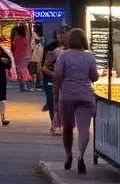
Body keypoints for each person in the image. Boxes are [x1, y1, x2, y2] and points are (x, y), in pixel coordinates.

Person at [53, 27, 98, 173]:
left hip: (67, 94)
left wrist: (55, 94)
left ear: (69, 40)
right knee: (84, 127)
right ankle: (81, 156)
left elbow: (58, 75)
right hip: (85, 94)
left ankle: (68, 155)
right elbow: (94, 77)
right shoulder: (90, 56)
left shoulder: (63, 55)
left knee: (67, 127)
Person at [42, 27, 68, 135]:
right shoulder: (50, 47)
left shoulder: (71, 48)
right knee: (52, 101)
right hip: (50, 78)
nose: (61, 36)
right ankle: (53, 124)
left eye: (64, 34)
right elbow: (44, 66)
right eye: (59, 34)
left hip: (66, 79)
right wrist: (53, 74)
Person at [11, 25, 31, 92]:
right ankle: (26, 85)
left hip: (17, 55)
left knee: (19, 70)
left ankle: (22, 86)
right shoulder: (26, 38)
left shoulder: (16, 38)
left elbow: (14, 47)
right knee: (24, 70)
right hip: (25, 56)